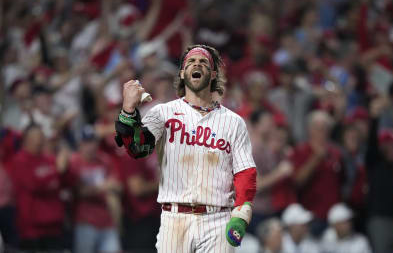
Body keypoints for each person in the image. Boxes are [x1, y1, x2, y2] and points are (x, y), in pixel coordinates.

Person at [115, 44, 257, 252]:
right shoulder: (163, 113)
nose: (196, 64)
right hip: (175, 219)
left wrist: (241, 214)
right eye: (190, 61)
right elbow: (137, 149)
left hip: (217, 218)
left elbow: (246, 172)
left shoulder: (234, 122)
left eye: (203, 62)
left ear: (213, 74)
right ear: (182, 73)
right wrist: (128, 111)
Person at [9, 124, 67, 252]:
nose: (40, 140)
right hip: (31, 229)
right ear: (26, 139)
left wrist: (66, 165)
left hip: (54, 226)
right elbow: (34, 185)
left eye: (41, 136)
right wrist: (57, 171)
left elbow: (65, 182)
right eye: (36, 137)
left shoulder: (49, 159)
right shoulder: (19, 161)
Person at [65, 125, 122, 253]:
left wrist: (96, 189)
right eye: (86, 142)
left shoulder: (104, 160)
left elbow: (117, 185)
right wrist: (104, 187)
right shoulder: (74, 162)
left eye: (93, 141)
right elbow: (78, 191)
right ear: (80, 144)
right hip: (84, 222)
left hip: (106, 221)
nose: (90, 146)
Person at [365, 97, 393, 253]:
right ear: (383, 147)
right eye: (390, 144)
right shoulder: (375, 162)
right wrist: (375, 117)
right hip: (380, 218)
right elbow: (372, 142)